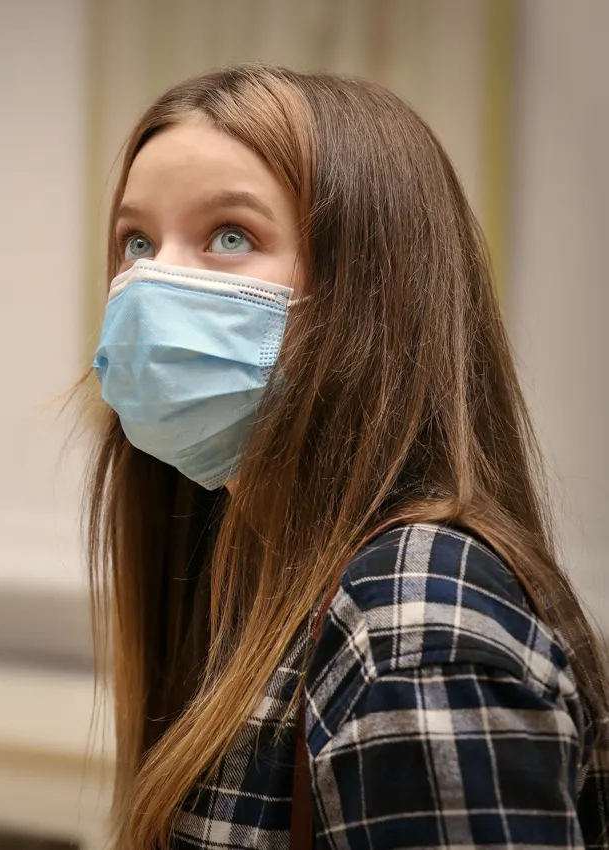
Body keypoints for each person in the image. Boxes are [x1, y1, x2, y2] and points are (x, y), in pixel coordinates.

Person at [86, 64, 609, 849]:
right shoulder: (260, 569)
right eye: (137, 241)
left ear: (370, 291)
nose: (152, 282)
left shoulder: (416, 619)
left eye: (231, 236)